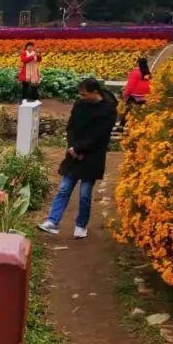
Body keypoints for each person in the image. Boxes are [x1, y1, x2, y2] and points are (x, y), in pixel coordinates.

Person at [38, 78, 118, 239]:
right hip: (74, 153)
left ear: (95, 92)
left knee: (85, 194)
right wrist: (72, 147)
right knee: (64, 188)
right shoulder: (80, 105)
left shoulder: (108, 110)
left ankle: (81, 225)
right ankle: (53, 221)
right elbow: (71, 127)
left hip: (92, 155)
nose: (82, 97)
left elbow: (100, 135)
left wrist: (80, 149)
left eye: (84, 94)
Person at [119, 56, 151, 128]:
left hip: (134, 96)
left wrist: (125, 94)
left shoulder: (135, 73)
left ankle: (121, 126)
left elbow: (130, 85)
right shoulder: (148, 73)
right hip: (145, 96)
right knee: (142, 113)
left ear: (138, 64)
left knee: (127, 110)